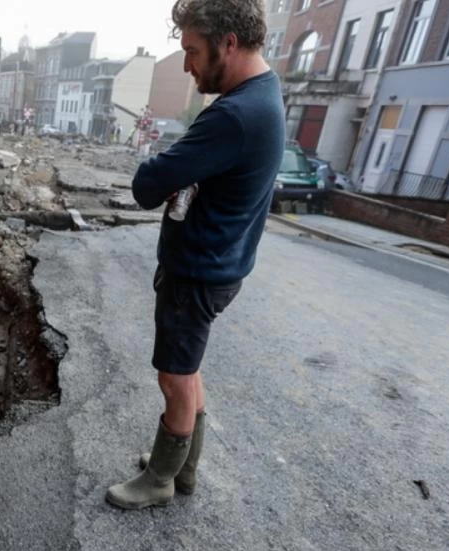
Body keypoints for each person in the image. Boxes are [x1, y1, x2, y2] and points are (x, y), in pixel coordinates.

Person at [106, 0, 285, 510]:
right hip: (222, 263)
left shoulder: (235, 114)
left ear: (229, 42)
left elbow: (149, 183)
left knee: (175, 375)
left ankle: (161, 479)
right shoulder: (265, 93)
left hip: (199, 270)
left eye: (192, 51)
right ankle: (182, 468)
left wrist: (169, 169)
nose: (187, 65)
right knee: (190, 367)